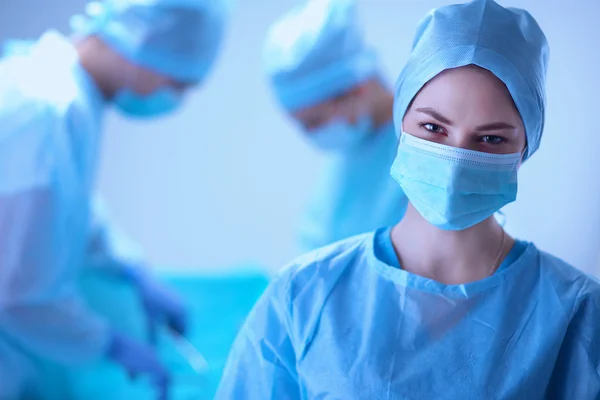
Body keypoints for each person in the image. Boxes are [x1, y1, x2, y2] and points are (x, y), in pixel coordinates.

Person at [215, 0, 600, 398]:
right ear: (401, 123)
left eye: (491, 138)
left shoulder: (576, 313)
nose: (454, 159)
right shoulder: (304, 293)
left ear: (525, 148)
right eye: (433, 127)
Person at [0, 0, 230, 398]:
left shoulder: (67, 96)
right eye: (179, 84)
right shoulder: (45, 107)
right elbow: (20, 295)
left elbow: (69, 213)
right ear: (143, 43)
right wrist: (109, 344)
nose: (176, 99)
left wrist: (130, 270)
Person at [262, 0, 408, 252]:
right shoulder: (345, 162)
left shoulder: (425, 149)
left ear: (357, 90)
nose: (311, 135)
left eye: (314, 121)